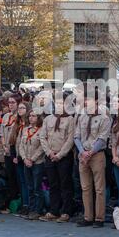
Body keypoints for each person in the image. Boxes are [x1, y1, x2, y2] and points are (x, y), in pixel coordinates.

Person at [74, 91, 111, 228]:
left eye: (88, 99)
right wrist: (82, 152)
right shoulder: (82, 117)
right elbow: (76, 136)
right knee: (85, 187)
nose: (85, 102)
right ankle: (87, 217)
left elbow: (102, 138)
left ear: (96, 101)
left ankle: (99, 218)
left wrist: (90, 152)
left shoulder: (104, 118)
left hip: (96, 155)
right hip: (83, 155)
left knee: (99, 188)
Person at [39, 92, 75, 223]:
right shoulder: (48, 119)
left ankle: (66, 211)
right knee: (53, 184)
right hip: (50, 155)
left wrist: (60, 155)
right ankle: (54, 210)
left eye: (62, 103)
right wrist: (49, 153)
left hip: (63, 157)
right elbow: (42, 137)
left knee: (65, 184)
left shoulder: (70, 119)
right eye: (57, 102)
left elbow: (70, 140)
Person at [19, 110, 45, 220]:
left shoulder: (42, 130)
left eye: (34, 116)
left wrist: (32, 159)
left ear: (39, 118)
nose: (31, 118)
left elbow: (42, 147)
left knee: (37, 187)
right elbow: (21, 145)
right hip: (26, 161)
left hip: (37, 162)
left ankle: (38, 210)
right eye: (30, 116)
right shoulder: (25, 129)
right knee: (29, 186)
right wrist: (24, 158)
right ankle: (31, 208)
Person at [0, 94, 21, 214]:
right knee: (10, 177)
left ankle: (19, 201)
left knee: (18, 177)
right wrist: (4, 146)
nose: (11, 104)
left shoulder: (19, 117)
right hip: (6, 150)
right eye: (10, 102)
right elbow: (2, 133)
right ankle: (11, 201)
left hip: (16, 151)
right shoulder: (6, 116)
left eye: (13, 102)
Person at [10, 101, 31, 216]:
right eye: (19, 108)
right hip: (17, 157)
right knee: (22, 182)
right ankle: (24, 204)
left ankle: (29, 205)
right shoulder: (16, 124)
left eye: (23, 108)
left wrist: (23, 157)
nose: (20, 110)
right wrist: (14, 156)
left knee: (28, 182)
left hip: (27, 157)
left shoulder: (29, 124)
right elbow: (12, 142)